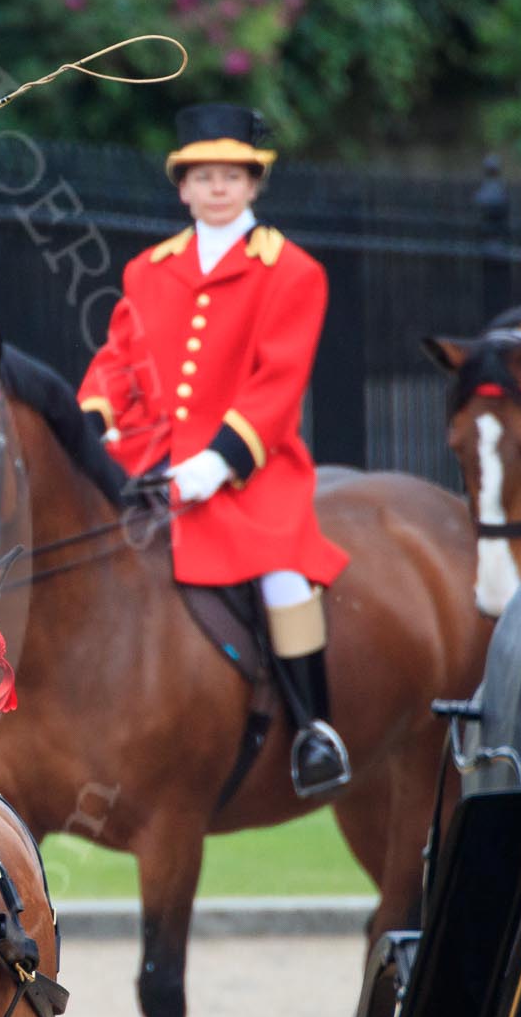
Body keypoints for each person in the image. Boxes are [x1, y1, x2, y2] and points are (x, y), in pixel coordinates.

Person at [78, 103, 352, 795]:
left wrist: (218, 461)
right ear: (183, 187)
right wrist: (99, 419)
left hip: (250, 473)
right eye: (205, 175)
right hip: (152, 461)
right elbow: (120, 358)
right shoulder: (149, 269)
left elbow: (278, 385)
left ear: (254, 185)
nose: (219, 187)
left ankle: (314, 730)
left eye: (233, 174)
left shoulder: (292, 271)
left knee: (282, 575)